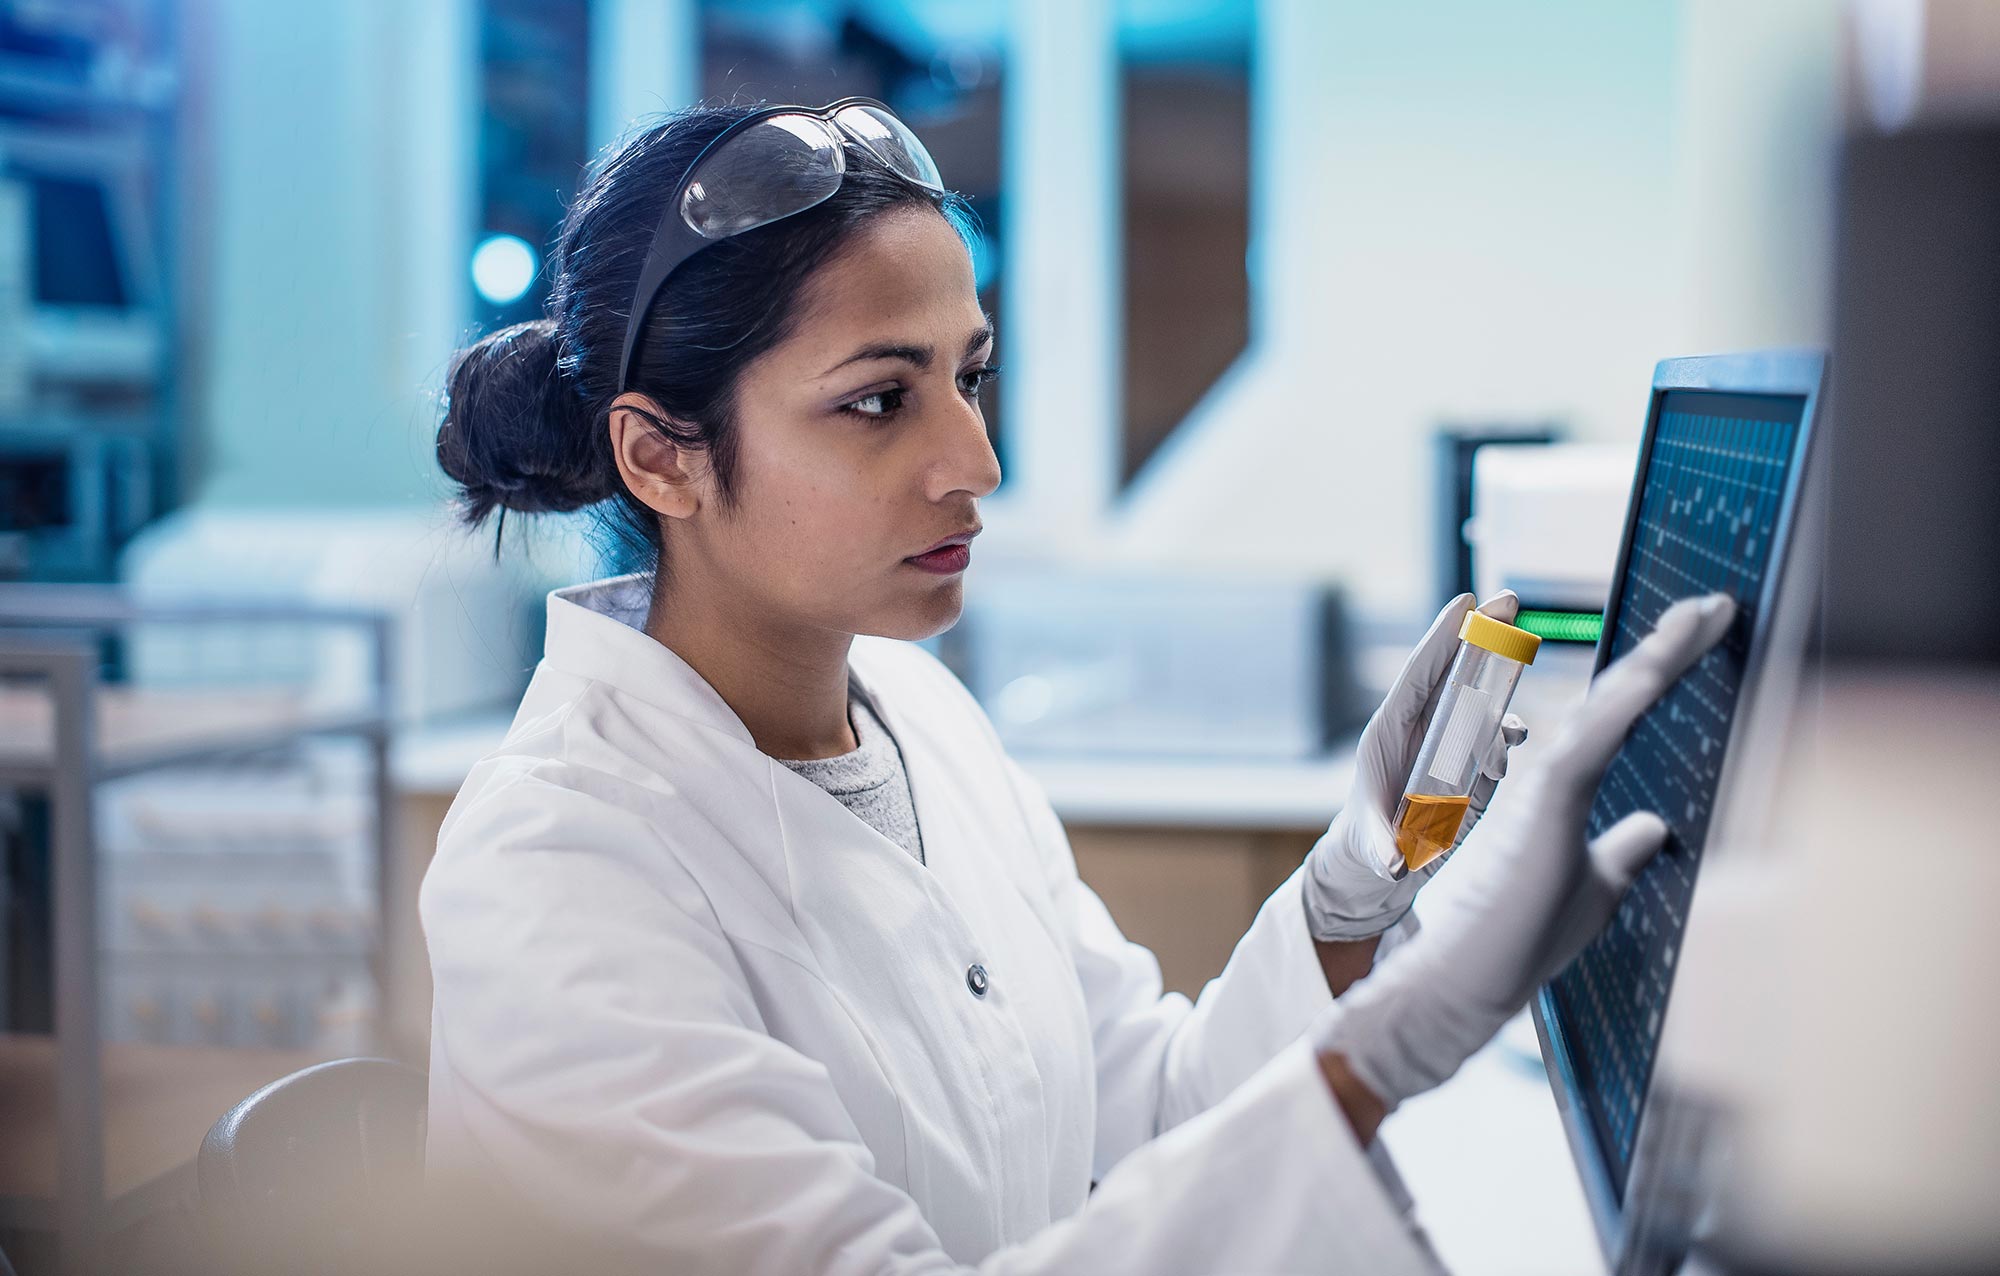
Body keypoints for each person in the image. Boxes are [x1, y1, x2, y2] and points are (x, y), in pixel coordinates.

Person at [423, 99, 1734, 1274]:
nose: (975, 460)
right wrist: (1385, 1055)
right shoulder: (558, 864)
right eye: (880, 402)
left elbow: (1155, 1115)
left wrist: (1358, 887)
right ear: (660, 457)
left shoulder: (921, 716)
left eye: (970, 375)